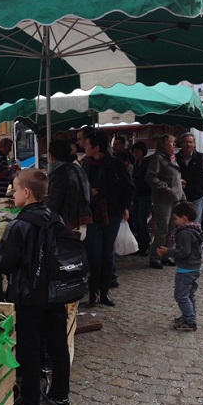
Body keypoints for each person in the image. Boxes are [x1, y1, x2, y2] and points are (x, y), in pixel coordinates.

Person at [0, 168, 71, 405]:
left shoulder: (19, 224)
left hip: (28, 296)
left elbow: (4, 264)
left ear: (26, 193)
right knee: (58, 344)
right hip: (55, 294)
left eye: (14, 190)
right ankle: (61, 395)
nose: (12, 194)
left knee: (29, 348)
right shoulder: (56, 218)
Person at [82, 131, 135, 306]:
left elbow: (129, 187)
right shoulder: (86, 165)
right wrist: (89, 193)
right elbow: (80, 188)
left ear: (97, 147)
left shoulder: (115, 163)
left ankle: (104, 293)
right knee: (94, 254)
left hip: (111, 214)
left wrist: (125, 207)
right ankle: (92, 294)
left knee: (107, 254)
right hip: (92, 216)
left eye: (87, 144)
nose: (85, 147)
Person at [156, 201, 203, 332]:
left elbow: (184, 252)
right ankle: (189, 315)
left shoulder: (184, 233)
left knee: (181, 295)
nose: (174, 221)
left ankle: (190, 320)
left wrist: (167, 251)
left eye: (176, 218)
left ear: (184, 218)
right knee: (189, 294)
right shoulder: (195, 229)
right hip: (195, 268)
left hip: (186, 269)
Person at [146, 135, 185, 269]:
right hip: (163, 198)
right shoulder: (158, 158)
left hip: (175, 196)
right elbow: (150, 177)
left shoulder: (172, 157)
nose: (174, 145)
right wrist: (165, 187)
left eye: (174, 143)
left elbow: (174, 175)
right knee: (162, 229)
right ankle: (155, 256)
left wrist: (179, 184)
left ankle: (167, 254)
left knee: (172, 228)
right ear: (163, 144)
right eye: (171, 143)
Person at [47, 139, 92, 237]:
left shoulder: (60, 172)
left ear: (52, 156)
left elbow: (55, 202)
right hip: (81, 220)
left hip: (69, 223)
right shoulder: (76, 168)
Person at [177, 133, 203, 229]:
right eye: (186, 142)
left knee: (196, 222)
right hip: (181, 196)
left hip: (197, 195)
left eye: (190, 142)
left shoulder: (201, 157)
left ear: (194, 144)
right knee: (181, 222)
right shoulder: (175, 158)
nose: (188, 145)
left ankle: (197, 242)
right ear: (181, 144)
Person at [130, 142, 152, 256]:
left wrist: (136, 180)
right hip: (137, 195)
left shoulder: (148, 162)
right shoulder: (136, 163)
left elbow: (147, 179)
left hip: (145, 195)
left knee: (142, 220)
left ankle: (146, 244)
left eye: (137, 151)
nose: (135, 154)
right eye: (134, 152)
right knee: (136, 220)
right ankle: (140, 243)